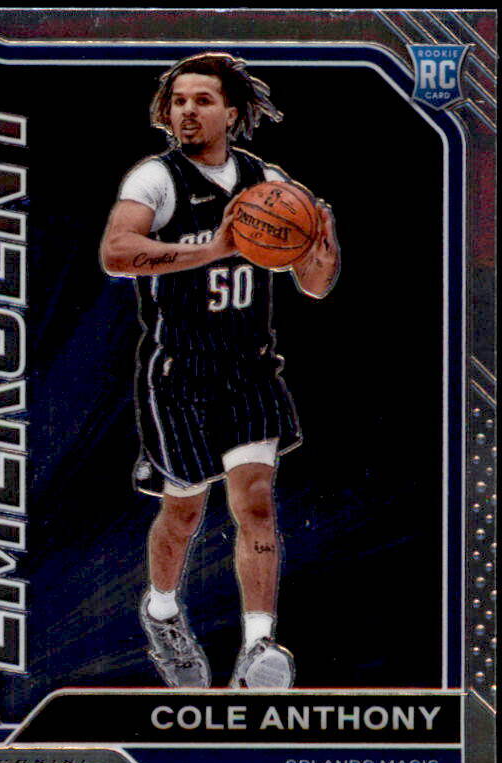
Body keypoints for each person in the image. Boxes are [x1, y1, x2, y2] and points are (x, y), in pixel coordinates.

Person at [100, 52, 340, 689]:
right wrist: (214, 247)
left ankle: (258, 648)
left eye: (202, 100)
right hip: (178, 372)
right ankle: (162, 613)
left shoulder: (269, 184)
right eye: (178, 100)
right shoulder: (155, 178)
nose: (187, 111)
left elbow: (314, 285)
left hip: (249, 366)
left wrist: (321, 243)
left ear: (231, 113)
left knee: (255, 501)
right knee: (183, 514)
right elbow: (117, 253)